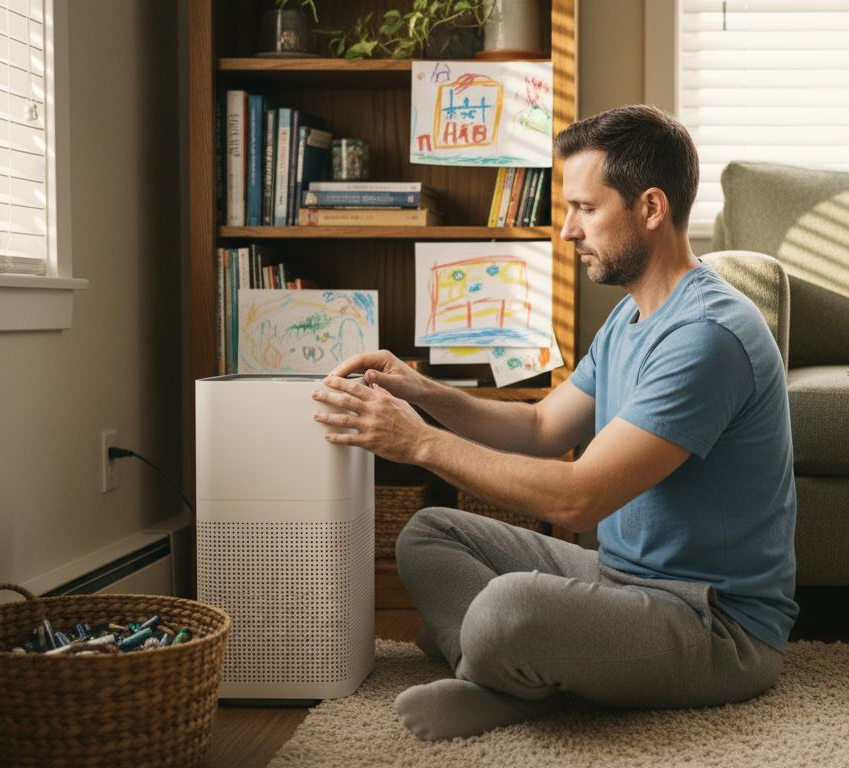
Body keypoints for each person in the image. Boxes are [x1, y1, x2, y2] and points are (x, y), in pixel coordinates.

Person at [313, 104, 797, 741]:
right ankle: (515, 675)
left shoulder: (706, 336)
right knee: (428, 533)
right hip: (622, 580)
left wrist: (419, 441)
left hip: (714, 625)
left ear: (651, 208)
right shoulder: (631, 317)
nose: (568, 230)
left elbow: (579, 499)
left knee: (505, 609)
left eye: (586, 208)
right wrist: (424, 391)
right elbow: (542, 427)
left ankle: (505, 668)